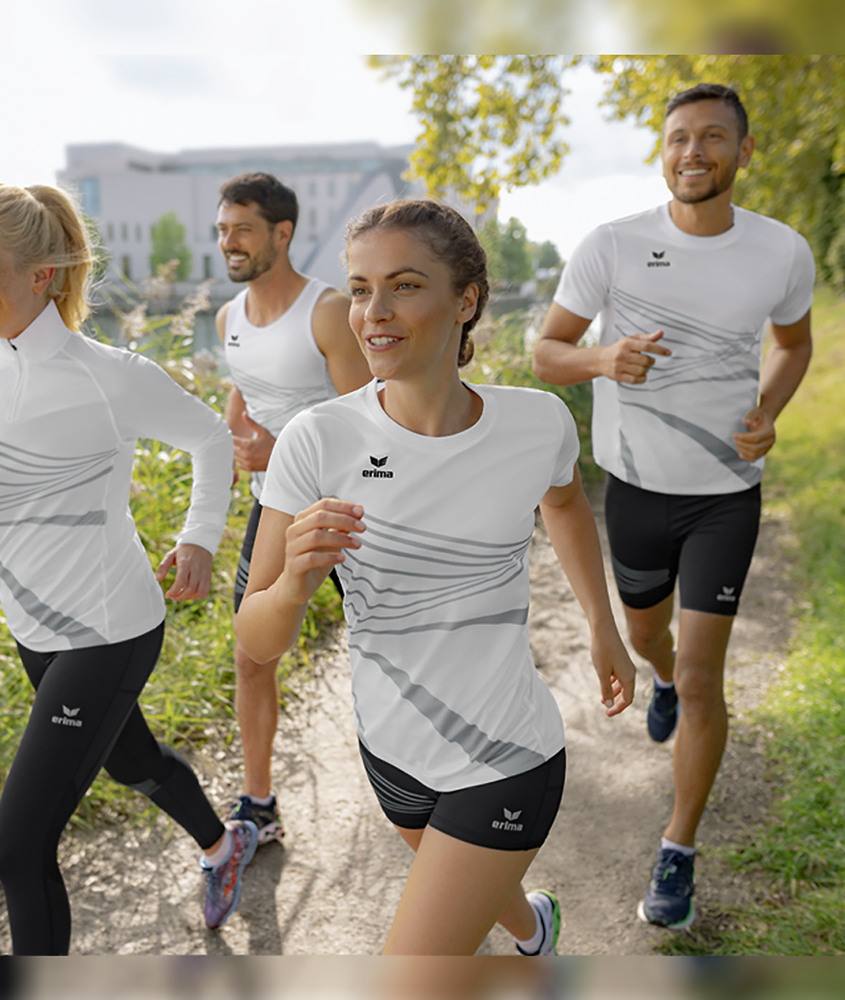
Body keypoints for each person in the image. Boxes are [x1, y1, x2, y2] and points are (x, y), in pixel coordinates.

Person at [235, 199, 636, 955]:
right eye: (359, 288)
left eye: (405, 285)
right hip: (391, 750)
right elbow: (256, 639)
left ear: (468, 300)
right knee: (475, 888)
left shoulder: (537, 420)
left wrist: (603, 625)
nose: (373, 313)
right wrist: (292, 582)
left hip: (507, 752)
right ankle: (533, 930)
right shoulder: (317, 441)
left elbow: (567, 504)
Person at [0, 183, 257, 955]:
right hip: (36, 636)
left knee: (18, 849)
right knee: (132, 762)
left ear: (42, 273)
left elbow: (210, 440)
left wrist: (200, 537)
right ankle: (227, 846)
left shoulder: (109, 374)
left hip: (112, 628)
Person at [532, 83, 815, 930]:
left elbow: (793, 345)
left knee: (702, 676)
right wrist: (604, 359)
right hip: (638, 489)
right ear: (663, 151)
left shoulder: (782, 252)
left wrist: (768, 411)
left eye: (713, 138)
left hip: (726, 494)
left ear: (744, 150)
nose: (693, 152)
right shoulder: (613, 246)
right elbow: (545, 352)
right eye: (679, 138)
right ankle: (656, 671)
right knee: (653, 638)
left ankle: (679, 846)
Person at [214, 172, 372, 843]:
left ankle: (441, 789)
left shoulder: (327, 311)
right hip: (272, 509)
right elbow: (242, 397)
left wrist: (280, 450)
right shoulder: (228, 319)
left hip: (350, 512)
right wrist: (233, 449)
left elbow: (372, 427)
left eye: (242, 229)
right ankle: (259, 802)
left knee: (388, 648)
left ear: (282, 232)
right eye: (222, 230)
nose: (229, 243)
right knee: (253, 654)